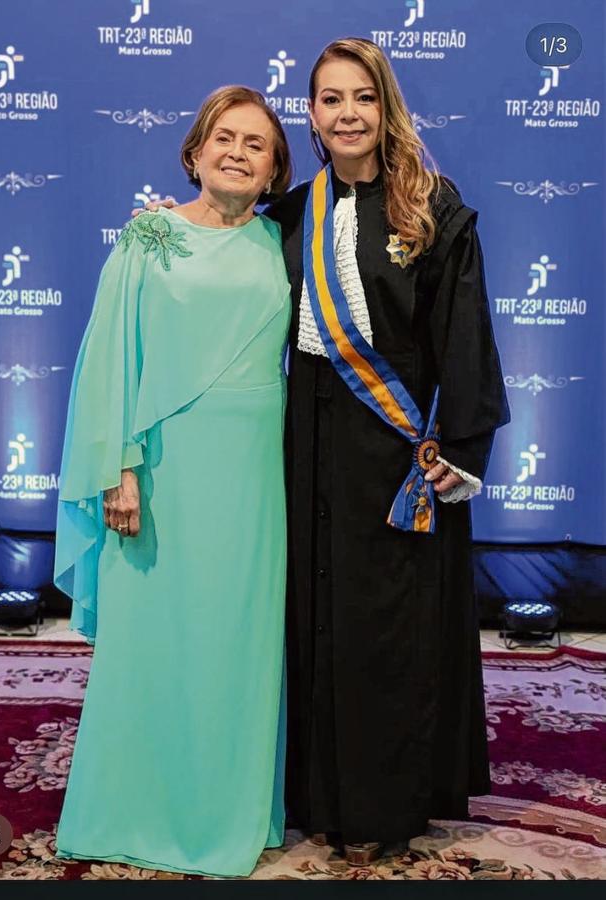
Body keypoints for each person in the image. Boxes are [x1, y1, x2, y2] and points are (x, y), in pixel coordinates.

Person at [142, 38, 509, 866]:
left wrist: (459, 445)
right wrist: (161, 225)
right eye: (330, 99)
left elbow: (465, 334)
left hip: (400, 454)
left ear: (386, 108)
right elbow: (218, 235)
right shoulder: (293, 213)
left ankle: (388, 801)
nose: (347, 114)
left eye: (362, 98)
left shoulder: (432, 206)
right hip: (307, 450)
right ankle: (319, 797)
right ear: (310, 114)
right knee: (318, 623)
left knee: (388, 629)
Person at [53, 86, 293, 877]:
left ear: (275, 170)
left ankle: (229, 812)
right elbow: (110, 357)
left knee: (235, 640)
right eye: (224, 137)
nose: (237, 153)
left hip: (252, 476)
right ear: (195, 152)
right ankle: (130, 810)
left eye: (256, 144)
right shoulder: (147, 236)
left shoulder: (283, 242)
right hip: (159, 470)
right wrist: (117, 466)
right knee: (153, 641)